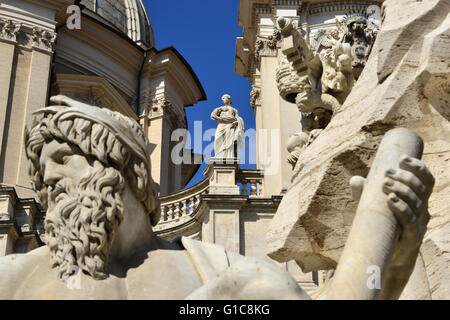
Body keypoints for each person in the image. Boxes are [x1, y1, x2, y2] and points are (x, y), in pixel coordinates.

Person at [0, 96, 434, 300]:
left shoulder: (230, 276)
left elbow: (351, 299)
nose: (47, 180)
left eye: (61, 158)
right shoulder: (9, 277)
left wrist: (398, 252)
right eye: (39, 168)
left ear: (120, 167)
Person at [210, 94, 244, 159]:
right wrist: (220, 118)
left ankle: (228, 156)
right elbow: (212, 115)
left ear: (229, 99)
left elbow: (238, 118)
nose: (223, 99)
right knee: (218, 139)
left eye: (224, 98)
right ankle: (218, 155)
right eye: (222, 98)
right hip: (221, 125)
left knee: (229, 142)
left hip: (230, 126)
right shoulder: (220, 108)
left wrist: (236, 123)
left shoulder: (234, 110)